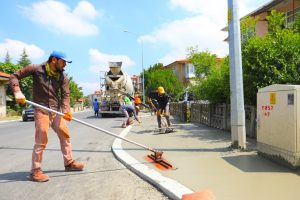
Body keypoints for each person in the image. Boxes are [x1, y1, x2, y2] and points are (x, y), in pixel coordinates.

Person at [9, 50, 85, 182]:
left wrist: (66, 110)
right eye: (63, 62)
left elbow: (66, 95)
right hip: (41, 109)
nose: (65, 65)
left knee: (65, 135)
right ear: (54, 60)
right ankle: (35, 171)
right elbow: (14, 76)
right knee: (41, 139)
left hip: (56, 111)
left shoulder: (62, 77)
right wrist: (17, 92)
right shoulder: (36, 69)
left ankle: (69, 163)